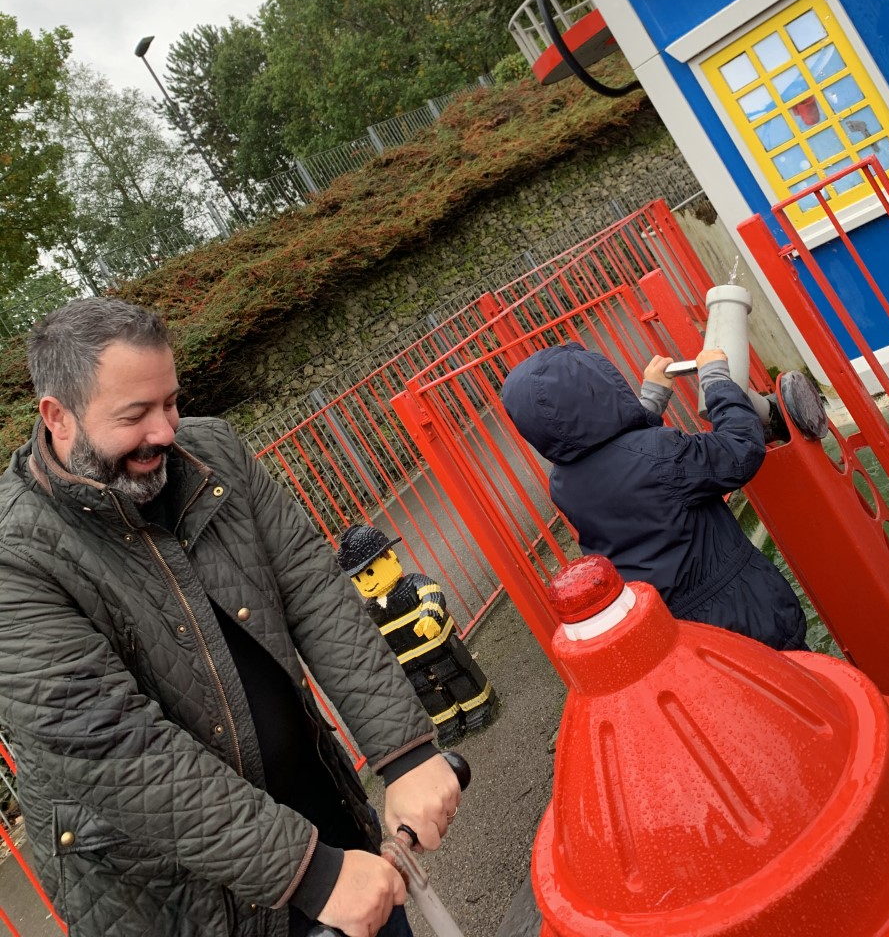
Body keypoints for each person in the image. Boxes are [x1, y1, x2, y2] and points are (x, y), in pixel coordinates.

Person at [0, 297, 461, 937]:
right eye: (136, 414)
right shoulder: (15, 558)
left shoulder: (210, 450)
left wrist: (403, 751)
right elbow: (112, 748)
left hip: (319, 824)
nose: (166, 432)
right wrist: (310, 875)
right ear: (59, 417)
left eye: (170, 402)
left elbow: (311, 587)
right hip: (180, 897)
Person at [500, 343, 807, 651]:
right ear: (601, 387)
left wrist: (651, 399)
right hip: (739, 614)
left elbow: (623, 454)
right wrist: (718, 383)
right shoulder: (660, 455)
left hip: (672, 626)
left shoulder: (564, 484)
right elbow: (739, 450)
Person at [337, 525, 496, 746]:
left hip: (437, 647)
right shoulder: (371, 609)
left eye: (370, 572)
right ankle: (447, 721)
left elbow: (432, 593)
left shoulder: (413, 583)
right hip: (407, 662)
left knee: (456, 675)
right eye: (359, 579)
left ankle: (479, 705)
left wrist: (431, 615)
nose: (367, 582)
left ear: (390, 556)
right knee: (427, 691)